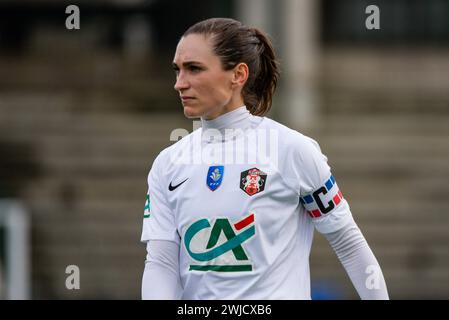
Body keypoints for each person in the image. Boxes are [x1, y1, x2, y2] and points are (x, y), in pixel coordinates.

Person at [141, 17, 389, 300]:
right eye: (178, 70)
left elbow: (349, 244)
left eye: (194, 69)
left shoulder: (292, 150)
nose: (179, 83)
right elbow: (161, 262)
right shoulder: (168, 163)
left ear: (238, 75)